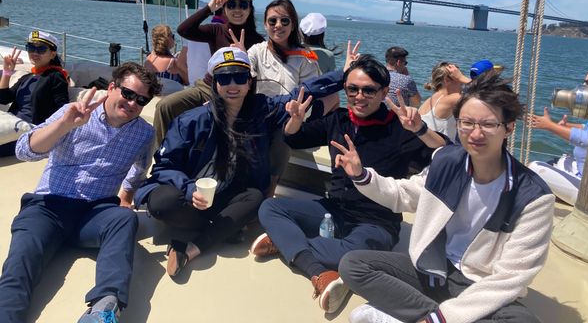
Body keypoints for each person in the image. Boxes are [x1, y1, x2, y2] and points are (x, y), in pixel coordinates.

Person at [338, 72, 554, 323]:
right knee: (354, 265)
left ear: (508, 128)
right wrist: (362, 175)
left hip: (480, 285)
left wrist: (439, 319)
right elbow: (404, 195)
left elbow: (510, 278)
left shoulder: (533, 196)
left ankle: (390, 315)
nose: (475, 133)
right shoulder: (446, 161)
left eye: (488, 124)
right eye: (467, 123)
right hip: (434, 269)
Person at [250, 53, 447, 314]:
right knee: (270, 208)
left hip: (375, 223)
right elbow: (295, 139)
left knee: (352, 257)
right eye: (352, 89)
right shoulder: (339, 119)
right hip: (333, 211)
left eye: (368, 90)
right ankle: (318, 271)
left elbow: (448, 156)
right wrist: (295, 121)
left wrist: (421, 129)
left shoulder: (398, 130)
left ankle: (287, 242)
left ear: (384, 91)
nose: (359, 96)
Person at [134, 47, 344, 278]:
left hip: (230, 197)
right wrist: (189, 188)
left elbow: (306, 90)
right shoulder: (192, 121)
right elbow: (164, 166)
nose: (232, 85)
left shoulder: (263, 109)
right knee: (162, 202)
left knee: (255, 198)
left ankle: (192, 248)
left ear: (249, 82)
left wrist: (346, 75)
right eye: (224, 78)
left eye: (240, 77)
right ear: (214, 83)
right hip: (193, 200)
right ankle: (224, 229)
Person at [0, 62, 161, 323]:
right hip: (48, 206)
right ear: (112, 88)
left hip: (95, 213)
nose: (132, 103)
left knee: (124, 218)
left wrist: (126, 197)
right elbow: (24, 151)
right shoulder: (72, 112)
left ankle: (103, 309)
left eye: (141, 100)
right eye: (128, 94)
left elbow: (140, 168)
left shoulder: (143, 133)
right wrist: (65, 124)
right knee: (20, 262)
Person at [152, 0, 264, 147]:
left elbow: (258, 76)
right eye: (231, 5)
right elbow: (184, 30)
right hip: (208, 87)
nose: (237, 10)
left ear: (250, 9)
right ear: (224, 8)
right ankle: (162, 157)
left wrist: (246, 56)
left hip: (236, 92)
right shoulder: (215, 30)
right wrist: (209, 9)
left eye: (243, 5)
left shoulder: (258, 40)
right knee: (165, 106)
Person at [247, 0, 322, 195]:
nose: (278, 26)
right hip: (259, 115)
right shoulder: (256, 51)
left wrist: (297, 115)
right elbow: (244, 77)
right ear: (265, 24)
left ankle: (269, 191)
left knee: (284, 132)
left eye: (284, 21)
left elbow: (310, 94)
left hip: (291, 117)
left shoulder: (306, 57)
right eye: (272, 21)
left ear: (293, 24)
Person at [528, 69, 588, 205]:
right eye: (584, 82)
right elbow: (587, 128)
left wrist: (549, 126)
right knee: (558, 161)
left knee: (534, 167)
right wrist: (567, 125)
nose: (584, 86)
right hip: (583, 171)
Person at [0, 31, 69, 156]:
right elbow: (3, 99)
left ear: (52, 54)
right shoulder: (27, 77)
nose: (35, 53)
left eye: (41, 49)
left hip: (29, 133)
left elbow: (62, 109)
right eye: (31, 48)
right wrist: (7, 72)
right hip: (13, 126)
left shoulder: (56, 76)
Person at [419, 61, 470, 142]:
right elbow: (487, 93)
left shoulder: (429, 100)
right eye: (458, 79)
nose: (462, 84)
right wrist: (462, 78)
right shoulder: (452, 99)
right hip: (442, 152)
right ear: (447, 80)